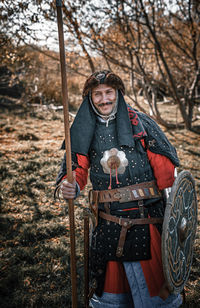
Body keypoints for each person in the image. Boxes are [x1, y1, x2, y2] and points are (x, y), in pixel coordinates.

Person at [55, 70, 182, 307]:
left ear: (118, 93)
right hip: (107, 221)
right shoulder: (84, 130)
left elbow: (166, 173)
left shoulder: (141, 124)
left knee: (155, 296)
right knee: (112, 293)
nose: (104, 99)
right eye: (97, 94)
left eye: (109, 92)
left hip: (146, 219)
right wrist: (71, 185)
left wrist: (174, 213)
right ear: (89, 98)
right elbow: (77, 169)